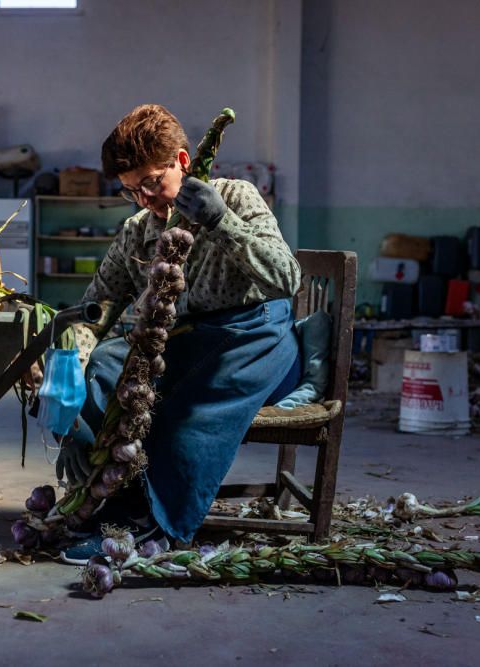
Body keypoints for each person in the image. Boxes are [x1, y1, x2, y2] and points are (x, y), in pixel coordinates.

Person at [56, 104, 302, 563]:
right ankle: (97, 500)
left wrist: (221, 221)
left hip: (255, 340)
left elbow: (287, 277)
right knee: (108, 370)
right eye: (132, 191)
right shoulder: (138, 232)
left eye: (152, 182)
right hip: (188, 342)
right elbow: (100, 307)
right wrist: (73, 371)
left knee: (184, 412)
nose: (146, 199)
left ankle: (152, 524)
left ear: (183, 163)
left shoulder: (235, 196)